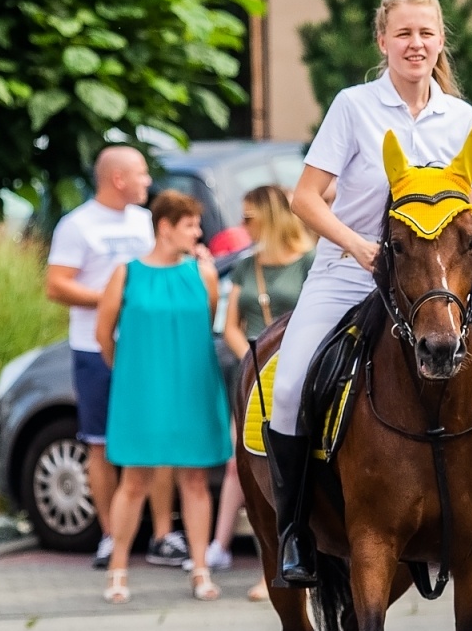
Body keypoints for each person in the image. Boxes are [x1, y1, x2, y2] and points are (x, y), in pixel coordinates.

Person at [265, 0, 472, 588]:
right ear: (383, 41)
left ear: (440, 41)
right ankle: (295, 531)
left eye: (426, 33)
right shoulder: (354, 107)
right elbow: (303, 198)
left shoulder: (461, 117)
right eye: (403, 33)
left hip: (435, 289)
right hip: (350, 275)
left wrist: (452, 277)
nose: (416, 44)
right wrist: (357, 246)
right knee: (292, 383)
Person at [46, 147, 179, 570]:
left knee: (157, 440)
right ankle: (109, 535)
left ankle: (162, 535)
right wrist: (113, 300)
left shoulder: (146, 222)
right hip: (93, 348)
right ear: (118, 179)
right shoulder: (78, 225)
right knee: (100, 443)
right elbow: (57, 286)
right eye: (141, 174)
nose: (148, 182)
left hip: (148, 348)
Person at [95, 192, 230, 604]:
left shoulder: (203, 274)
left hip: (192, 383)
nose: (198, 231)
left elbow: (207, 324)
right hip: (141, 386)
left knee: (194, 478)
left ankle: (200, 569)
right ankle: (117, 569)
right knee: (135, 479)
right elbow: (103, 333)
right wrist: (128, 371)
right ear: (165, 226)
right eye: (190, 224)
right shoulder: (127, 273)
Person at [220, 184, 315, 601]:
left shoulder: (310, 262)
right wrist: (255, 363)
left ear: (271, 216)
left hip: (302, 367)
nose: (242, 225)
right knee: (248, 467)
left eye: (248, 217)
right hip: (258, 372)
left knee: (296, 466)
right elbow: (230, 326)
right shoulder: (247, 265)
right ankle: (247, 554)